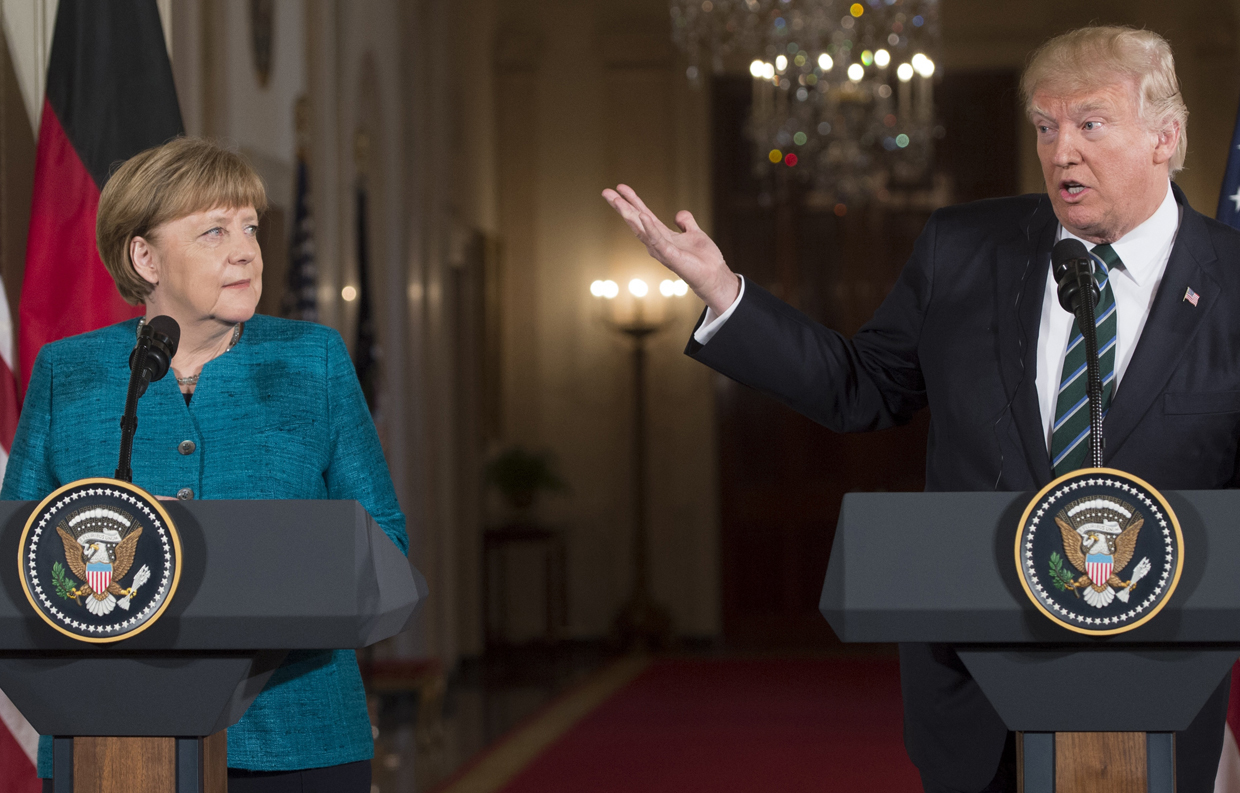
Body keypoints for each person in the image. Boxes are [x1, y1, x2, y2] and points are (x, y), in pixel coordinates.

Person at [605, 25, 1236, 793]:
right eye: (1045, 126)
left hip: (1157, 688)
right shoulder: (964, 249)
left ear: (1165, 136)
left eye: (1090, 124)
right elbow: (862, 386)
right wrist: (727, 295)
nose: (1060, 150)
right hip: (975, 685)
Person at [1, 136, 405, 793]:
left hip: (297, 742)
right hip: (110, 749)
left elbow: (384, 543)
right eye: (214, 231)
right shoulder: (67, 373)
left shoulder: (315, 360)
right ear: (144, 255)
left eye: (249, 227)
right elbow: (14, 557)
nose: (246, 250)